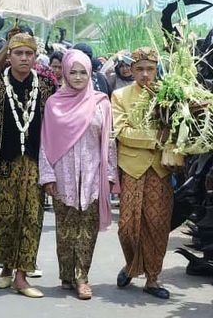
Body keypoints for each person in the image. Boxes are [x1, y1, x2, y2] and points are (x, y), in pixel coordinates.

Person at [0, 31, 56, 297]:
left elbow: (54, 127)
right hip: (4, 163)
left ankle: (22, 275)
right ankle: (7, 268)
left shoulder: (45, 86)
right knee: (6, 215)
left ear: (35, 58)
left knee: (32, 216)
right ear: (8, 56)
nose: (23, 58)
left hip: (35, 162)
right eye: (18, 53)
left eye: (28, 54)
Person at [39, 48, 118, 300]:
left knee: (87, 229)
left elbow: (109, 141)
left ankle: (82, 277)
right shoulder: (54, 103)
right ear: (64, 73)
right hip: (63, 174)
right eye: (72, 72)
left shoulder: (101, 103)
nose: (77, 77)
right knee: (65, 229)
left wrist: (110, 175)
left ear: (90, 73)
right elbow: (45, 141)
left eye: (82, 72)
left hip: (93, 174)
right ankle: (67, 274)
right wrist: (47, 176)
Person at [112, 46, 183, 299]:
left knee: (157, 225)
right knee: (127, 227)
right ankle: (132, 265)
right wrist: (155, 139)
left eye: (150, 69)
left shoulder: (171, 94)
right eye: (139, 69)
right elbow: (121, 132)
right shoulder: (120, 96)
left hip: (161, 170)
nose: (145, 74)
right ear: (131, 70)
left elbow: (178, 130)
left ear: (156, 70)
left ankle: (152, 278)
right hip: (132, 168)